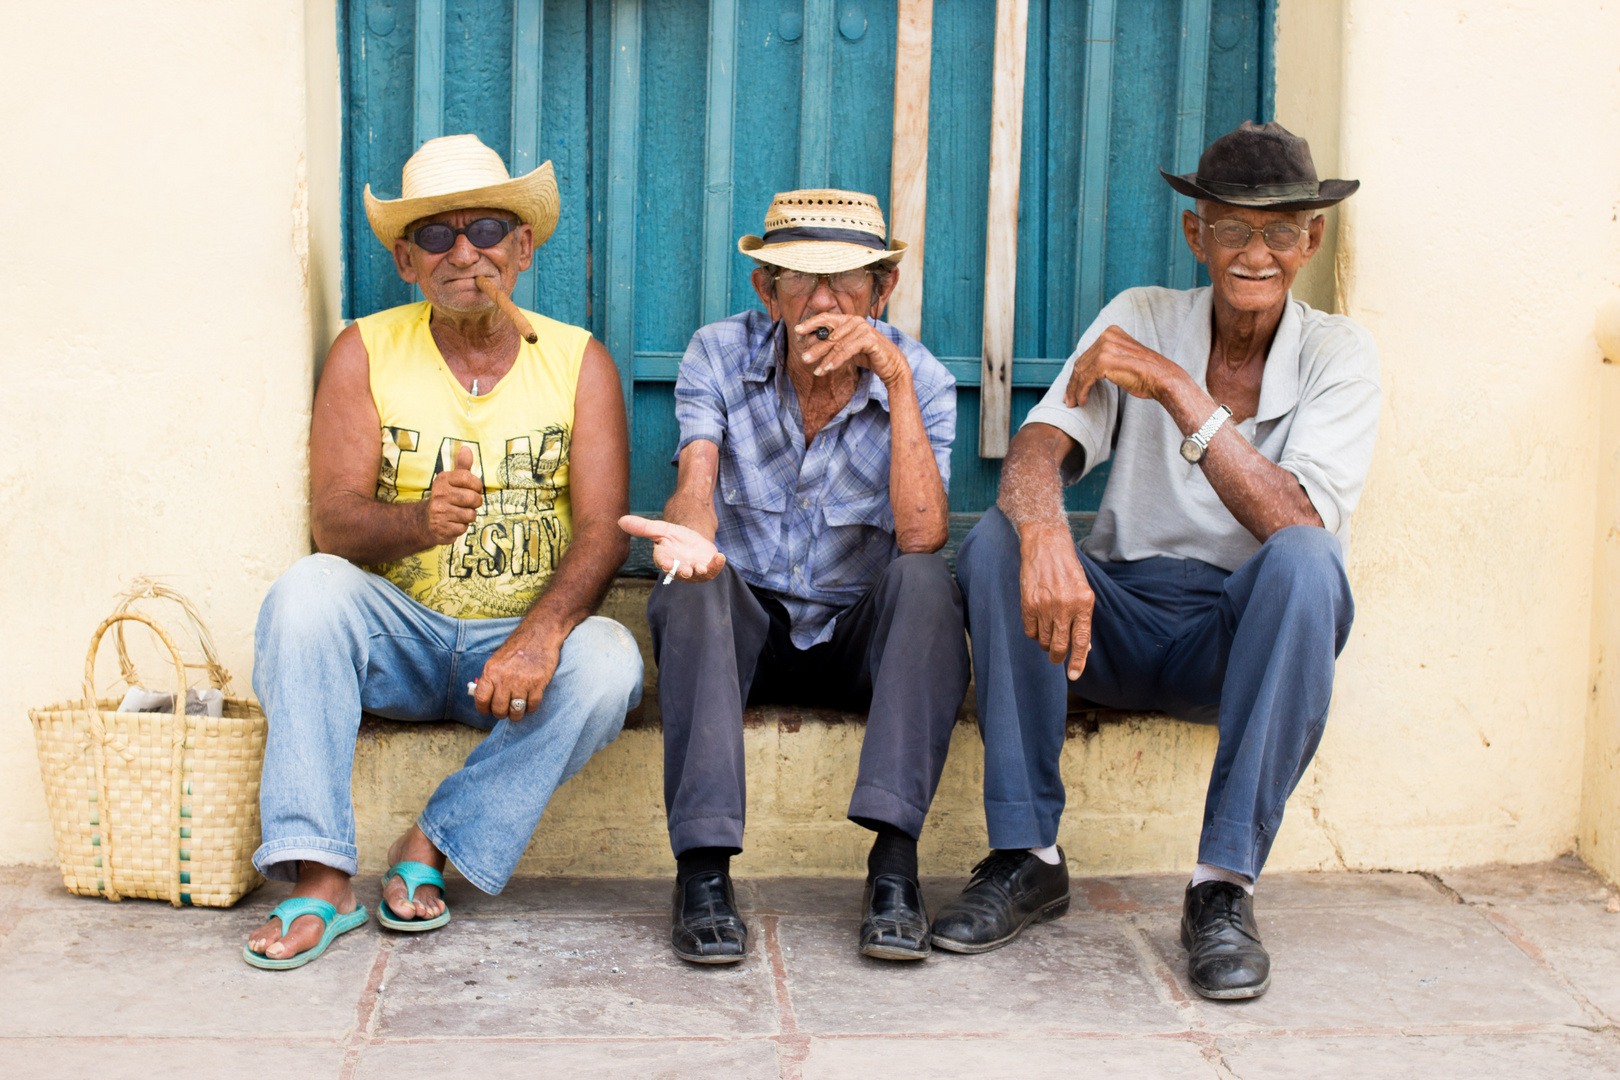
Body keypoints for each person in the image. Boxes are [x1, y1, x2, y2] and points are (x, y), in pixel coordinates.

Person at [936, 122, 1377, 1000]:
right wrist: (1050, 530)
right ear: (1195, 236)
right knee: (998, 535)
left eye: (1280, 229)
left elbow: (1294, 518)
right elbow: (1035, 450)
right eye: (1232, 228)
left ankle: (1222, 888)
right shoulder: (1139, 315)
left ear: (1311, 241)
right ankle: (1028, 854)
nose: (1257, 252)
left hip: (1234, 637)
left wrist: (1181, 390)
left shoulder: (1339, 354)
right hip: (1107, 628)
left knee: (1306, 564)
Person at [244, 134, 642, 969]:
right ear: (405, 260)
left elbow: (604, 530)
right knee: (306, 591)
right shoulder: (366, 349)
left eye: (488, 230)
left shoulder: (578, 363)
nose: (465, 254)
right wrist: (417, 521)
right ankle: (319, 877)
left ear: (523, 247)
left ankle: (434, 842)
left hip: (512, 655)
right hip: (403, 637)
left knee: (610, 661)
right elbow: (335, 523)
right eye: (436, 235)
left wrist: (539, 637)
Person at [620, 190, 967, 963]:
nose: (823, 301)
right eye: (799, 280)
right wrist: (691, 538)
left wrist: (896, 383)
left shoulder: (926, 379)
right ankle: (703, 873)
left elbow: (922, 534)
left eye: (846, 281)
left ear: (883, 291)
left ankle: (894, 871)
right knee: (695, 583)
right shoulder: (717, 352)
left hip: (853, 641)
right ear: (764, 291)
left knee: (925, 582)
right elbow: (698, 480)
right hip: (749, 636)